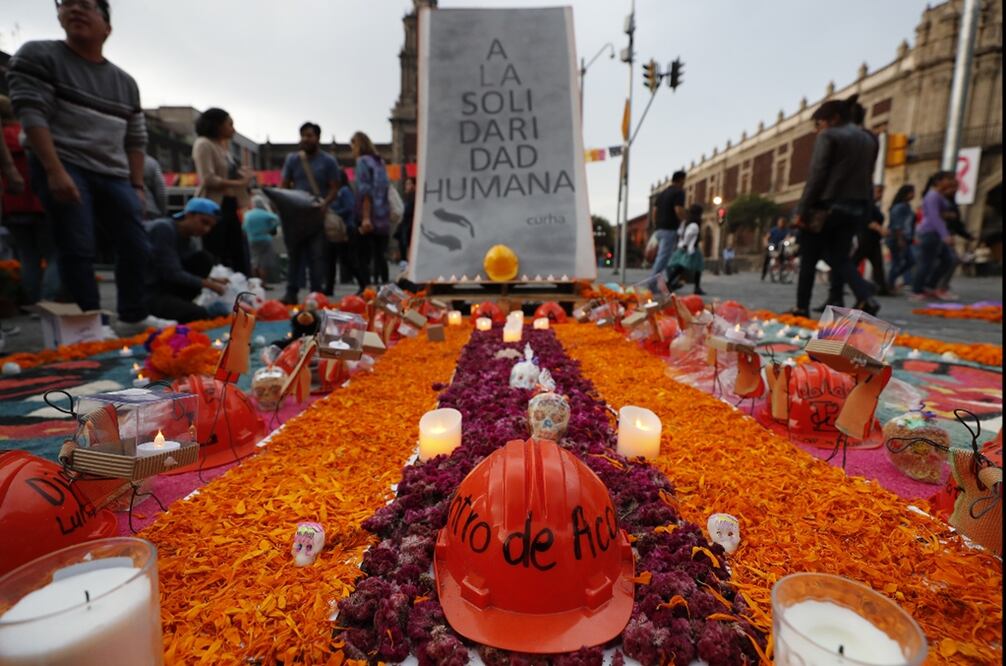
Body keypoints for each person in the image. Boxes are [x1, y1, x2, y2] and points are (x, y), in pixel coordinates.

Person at [7, 0, 170, 335]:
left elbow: (136, 140)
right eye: (68, 3)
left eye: (87, 6)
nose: (76, 10)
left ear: (107, 27)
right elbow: (32, 114)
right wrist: (54, 170)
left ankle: (133, 315)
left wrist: (137, 187)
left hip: (114, 172)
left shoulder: (125, 82)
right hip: (64, 161)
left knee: (136, 243)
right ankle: (89, 321)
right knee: (77, 245)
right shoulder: (39, 56)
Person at [790, 96, 880, 317]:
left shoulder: (829, 136)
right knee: (841, 257)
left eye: (819, 123)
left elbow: (817, 175)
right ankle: (865, 296)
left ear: (833, 119)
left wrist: (802, 210)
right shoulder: (869, 139)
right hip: (856, 207)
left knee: (809, 256)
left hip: (826, 206)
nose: (817, 128)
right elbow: (869, 176)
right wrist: (867, 211)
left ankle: (802, 307)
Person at [1, 95, 60, 305]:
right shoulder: (29, 134)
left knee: (27, 256)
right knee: (55, 254)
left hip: (13, 205)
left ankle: (32, 301)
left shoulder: (4, 140)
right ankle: (48, 301)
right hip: (39, 202)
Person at [281, 121, 340, 304]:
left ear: (318, 138)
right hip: (296, 215)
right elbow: (285, 185)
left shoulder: (328, 161)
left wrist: (325, 203)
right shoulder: (292, 159)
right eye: (303, 135)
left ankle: (316, 294)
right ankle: (291, 292)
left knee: (317, 256)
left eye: (310, 135)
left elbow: (334, 188)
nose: (306, 139)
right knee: (294, 255)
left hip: (317, 215)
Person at [145, 197, 227, 323]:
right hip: (149, 293)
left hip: (166, 288)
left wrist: (212, 281)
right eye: (204, 222)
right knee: (200, 314)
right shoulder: (163, 229)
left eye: (210, 226)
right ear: (189, 215)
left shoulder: (190, 239)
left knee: (204, 259)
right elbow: (170, 272)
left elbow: (179, 268)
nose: (206, 230)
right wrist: (208, 284)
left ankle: (180, 304)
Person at [192, 107, 252, 276]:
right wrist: (239, 182)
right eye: (229, 124)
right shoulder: (204, 144)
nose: (233, 129)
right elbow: (208, 178)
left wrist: (242, 175)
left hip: (232, 204)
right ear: (217, 125)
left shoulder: (224, 148)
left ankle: (239, 288)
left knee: (237, 251)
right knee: (216, 250)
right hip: (214, 205)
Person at [352, 131, 392, 286]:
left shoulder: (362, 162)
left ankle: (366, 290)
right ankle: (386, 288)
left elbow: (365, 191)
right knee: (380, 256)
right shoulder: (379, 162)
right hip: (383, 216)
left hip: (369, 216)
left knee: (362, 255)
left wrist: (366, 217)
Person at [911, 171, 958, 301]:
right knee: (926, 262)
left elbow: (940, 214)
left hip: (936, 233)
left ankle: (930, 286)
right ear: (938, 181)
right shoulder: (932, 196)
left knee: (948, 259)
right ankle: (917, 290)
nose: (950, 182)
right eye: (948, 179)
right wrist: (945, 235)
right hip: (930, 232)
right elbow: (934, 217)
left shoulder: (940, 195)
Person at [852, 184, 889, 297]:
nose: (880, 195)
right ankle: (843, 281)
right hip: (866, 238)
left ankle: (881, 287)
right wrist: (880, 229)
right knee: (853, 262)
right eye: (878, 192)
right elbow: (868, 221)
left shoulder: (873, 205)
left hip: (873, 239)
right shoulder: (867, 204)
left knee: (877, 264)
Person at [325, 169, 358, 294]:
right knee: (332, 259)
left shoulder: (344, 191)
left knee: (345, 259)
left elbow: (349, 208)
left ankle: (363, 282)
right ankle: (329, 288)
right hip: (336, 229)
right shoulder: (337, 192)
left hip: (344, 228)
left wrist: (334, 213)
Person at [651, 170, 687, 277]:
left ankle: (670, 282)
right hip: (669, 229)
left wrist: (656, 225)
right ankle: (652, 284)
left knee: (667, 256)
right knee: (663, 257)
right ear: (681, 179)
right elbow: (678, 209)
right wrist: (684, 221)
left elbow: (654, 211)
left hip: (659, 229)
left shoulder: (663, 193)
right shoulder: (679, 192)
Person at [665, 204, 706, 295]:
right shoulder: (695, 224)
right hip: (691, 249)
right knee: (690, 268)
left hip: (687, 247)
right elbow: (688, 235)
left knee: (684, 267)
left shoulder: (686, 222)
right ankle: (696, 287)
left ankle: (670, 283)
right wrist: (686, 244)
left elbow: (680, 232)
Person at [243, 193, 280, 287]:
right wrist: (269, 227)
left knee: (254, 261)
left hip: (252, 239)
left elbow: (243, 228)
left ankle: (255, 284)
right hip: (265, 239)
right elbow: (277, 220)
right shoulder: (265, 213)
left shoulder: (248, 214)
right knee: (263, 262)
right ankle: (263, 283)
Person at [886, 184, 916, 292]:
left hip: (905, 239)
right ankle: (890, 284)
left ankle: (891, 280)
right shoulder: (899, 207)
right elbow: (897, 225)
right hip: (897, 238)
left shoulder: (907, 206)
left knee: (911, 260)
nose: (913, 195)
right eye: (911, 192)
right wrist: (900, 239)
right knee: (897, 262)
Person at [395, 177, 416, 272]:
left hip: (409, 226)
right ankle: (404, 269)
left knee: (407, 248)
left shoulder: (414, 197)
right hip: (404, 226)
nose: (407, 186)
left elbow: (407, 211)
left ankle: (407, 268)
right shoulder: (405, 197)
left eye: (409, 183)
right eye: (406, 184)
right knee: (403, 248)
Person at [761, 216, 790, 280]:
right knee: (767, 258)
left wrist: (786, 241)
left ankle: (782, 272)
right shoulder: (773, 230)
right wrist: (766, 243)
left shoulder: (786, 231)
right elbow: (767, 237)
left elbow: (788, 237)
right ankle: (764, 273)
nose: (780, 223)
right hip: (772, 246)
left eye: (782, 222)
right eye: (779, 222)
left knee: (783, 257)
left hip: (780, 247)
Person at [141, 153, 166, 220]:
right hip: (150, 210)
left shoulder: (118, 161)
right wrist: (163, 213)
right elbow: (161, 192)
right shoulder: (151, 162)